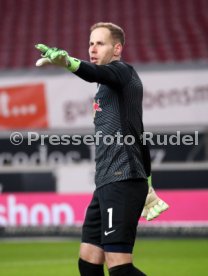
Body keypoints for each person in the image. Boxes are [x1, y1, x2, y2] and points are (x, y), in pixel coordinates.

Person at [35, 22, 169, 276]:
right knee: (88, 260)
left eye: (100, 43)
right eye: (90, 43)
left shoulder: (121, 73)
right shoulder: (109, 87)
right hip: (108, 181)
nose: (92, 48)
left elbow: (94, 73)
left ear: (117, 48)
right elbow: (137, 133)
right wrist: (148, 180)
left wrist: (68, 63)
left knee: (119, 265)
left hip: (122, 180)